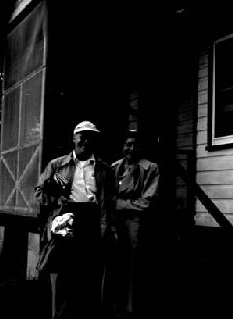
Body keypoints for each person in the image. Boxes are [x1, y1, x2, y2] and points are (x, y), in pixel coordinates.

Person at [35, 120, 115, 319]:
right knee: (61, 274)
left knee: (89, 276)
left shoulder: (105, 168)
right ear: (74, 138)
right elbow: (39, 193)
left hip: (92, 221)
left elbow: (110, 201)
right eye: (82, 136)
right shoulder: (57, 165)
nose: (86, 141)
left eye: (91, 137)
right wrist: (56, 196)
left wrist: (108, 227)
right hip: (65, 219)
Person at [111, 130, 159, 319]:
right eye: (127, 144)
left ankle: (132, 308)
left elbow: (147, 201)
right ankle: (115, 307)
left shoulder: (150, 168)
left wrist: (120, 204)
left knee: (133, 264)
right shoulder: (115, 167)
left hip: (136, 223)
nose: (131, 148)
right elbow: (107, 196)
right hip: (115, 222)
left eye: (135, 144)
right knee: (115, 262)